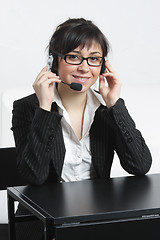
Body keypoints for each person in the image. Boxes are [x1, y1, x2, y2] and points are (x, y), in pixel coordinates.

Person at [11, 18, 152, 240]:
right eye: (74, 57)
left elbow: (140, 166)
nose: (85, 67)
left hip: (96, 220)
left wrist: (115, 106)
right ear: (53, 62)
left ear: (103, 66)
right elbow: (34, 176)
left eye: (94, 59)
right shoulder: (28, 108)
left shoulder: (107, 109)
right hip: (44, 225)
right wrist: (45, 109)